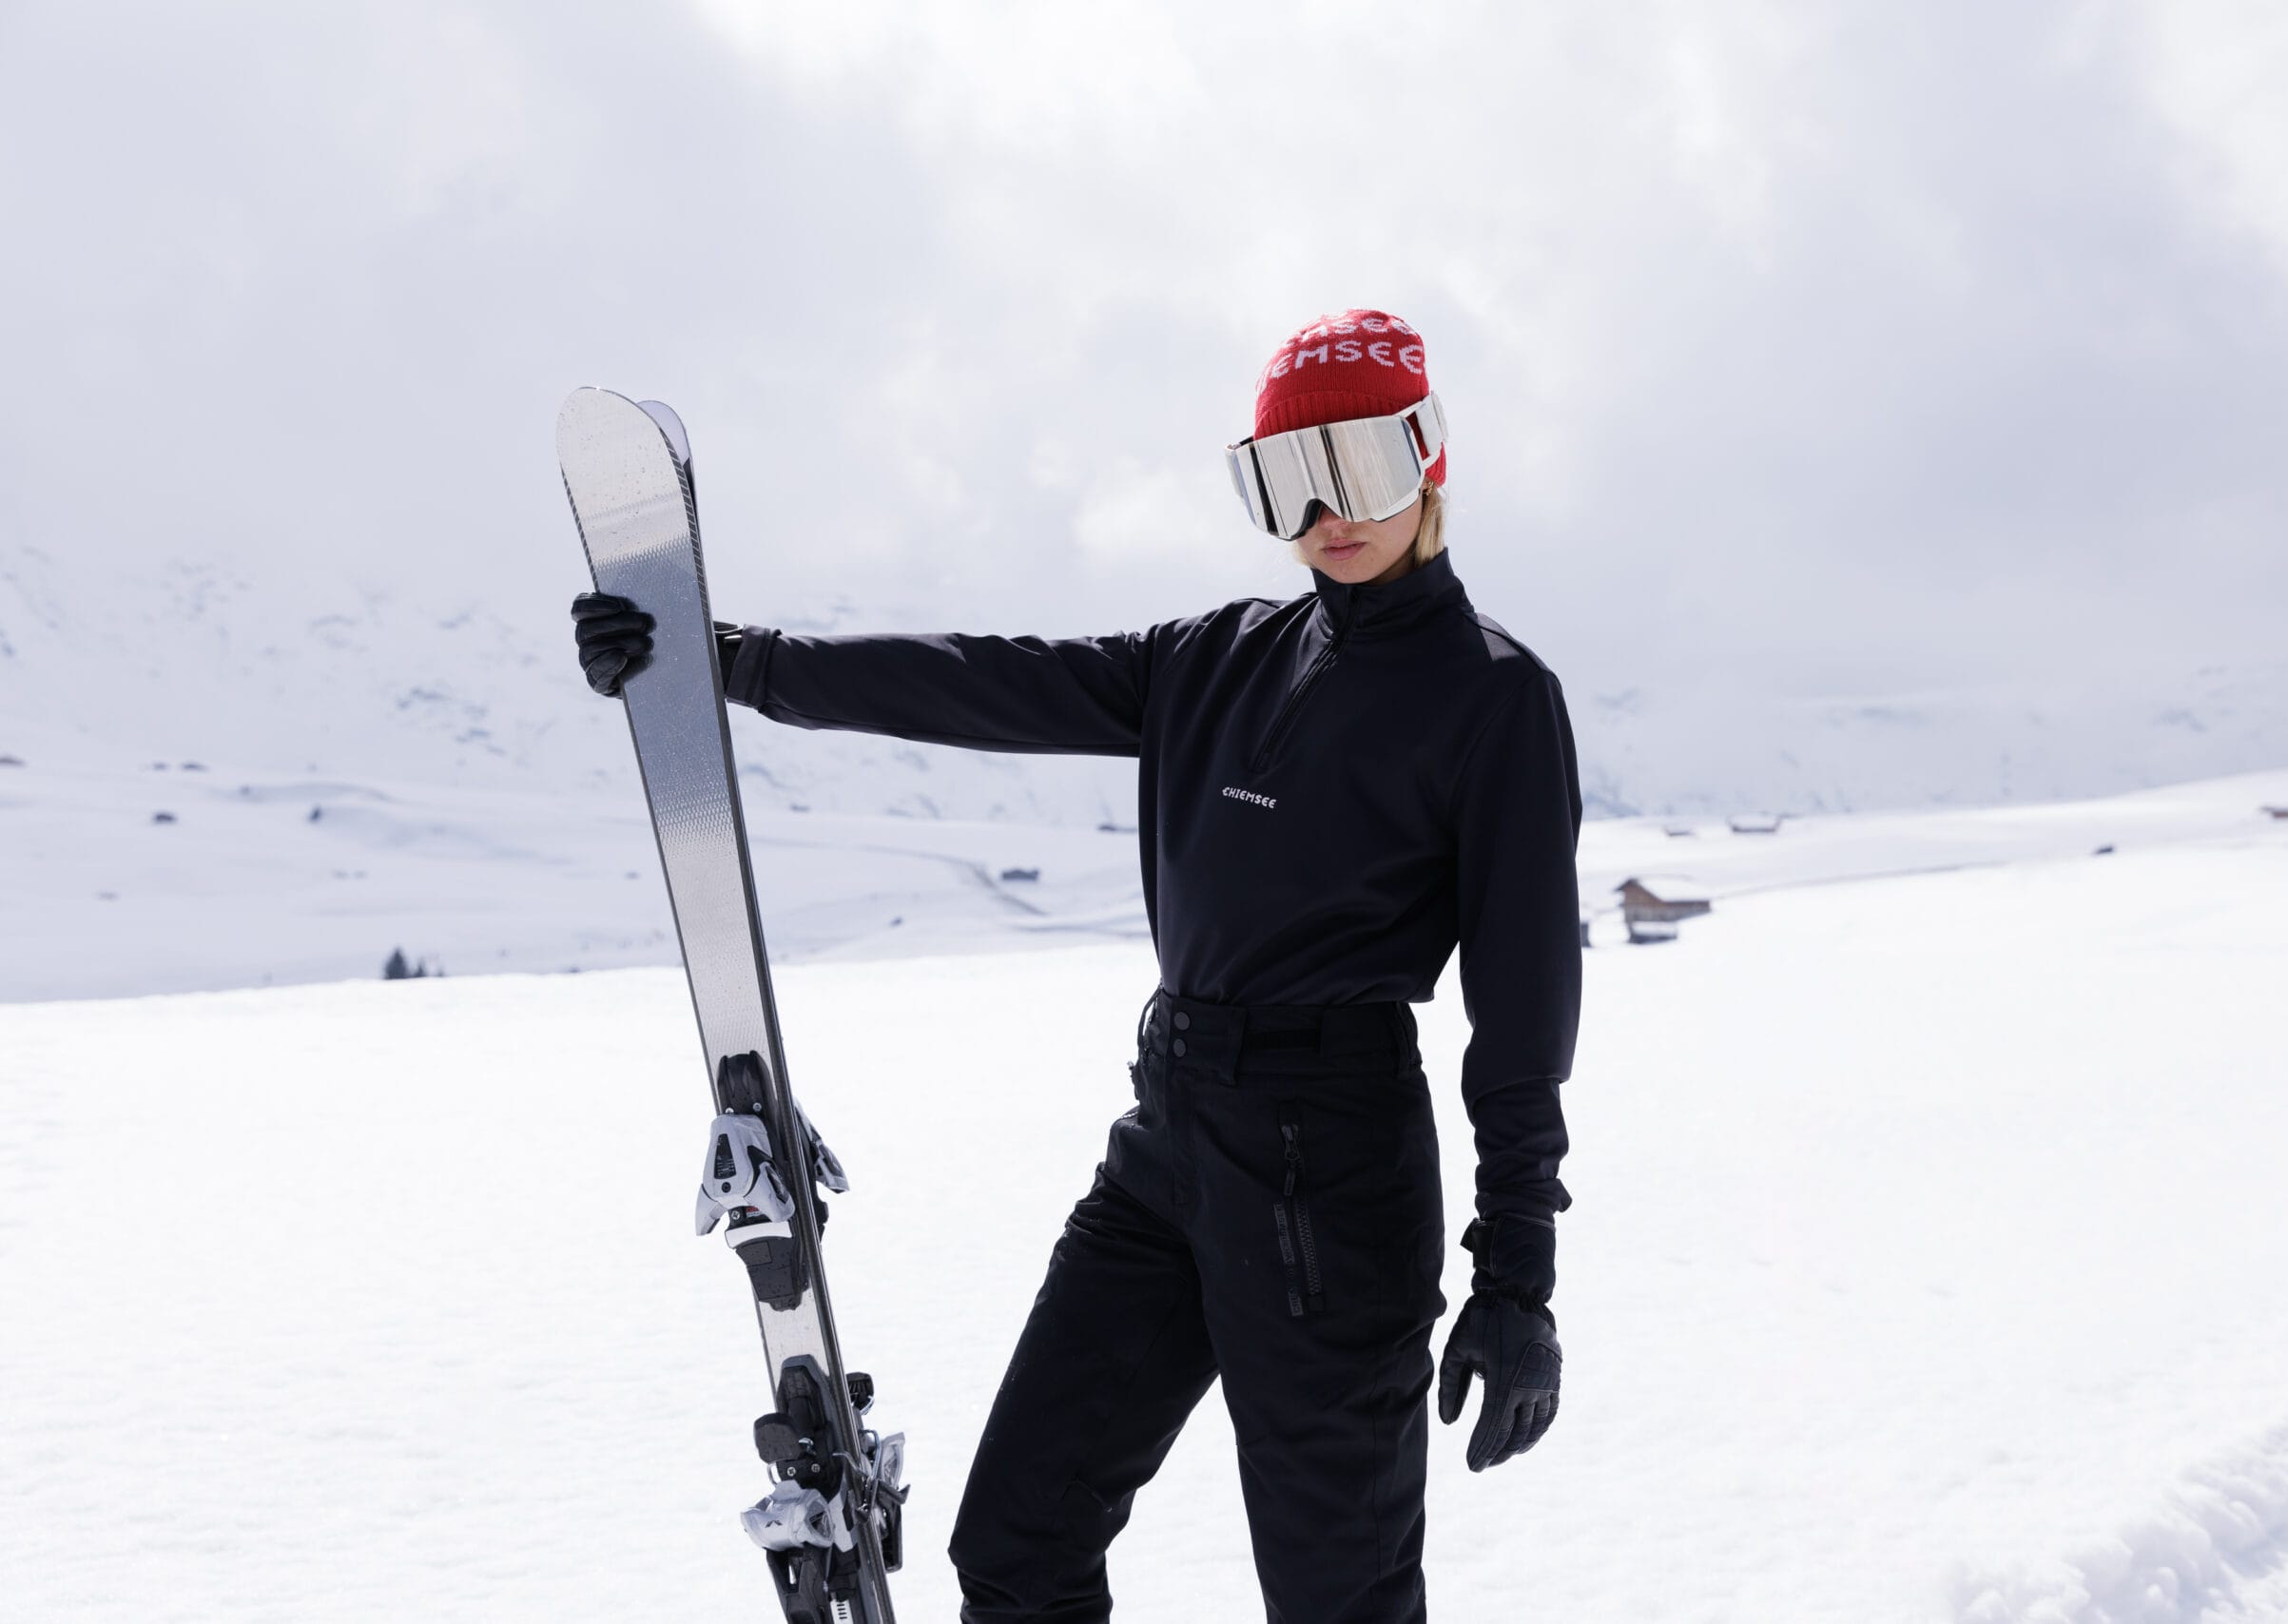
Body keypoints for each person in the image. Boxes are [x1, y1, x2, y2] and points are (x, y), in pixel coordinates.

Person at [572, 309, 1580, 1623]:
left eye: (1361, 465)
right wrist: (727, 669)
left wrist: (1516, 1279)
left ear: (1428, 456)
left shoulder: (1494, 697)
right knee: (1017, 1543)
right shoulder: (1220, 658)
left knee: (1340, 1602)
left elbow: (1522, 1019)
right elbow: (988, 683)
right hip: (1169, 1143)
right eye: (1286, 476)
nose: (1327, 511)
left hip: (1331, 1184)